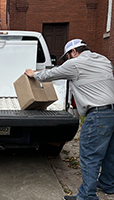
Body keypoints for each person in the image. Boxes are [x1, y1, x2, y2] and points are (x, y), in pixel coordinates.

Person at [25, 39, 114, 200]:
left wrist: (33, 74)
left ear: (73, 52)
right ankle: (108, 184)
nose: (67, 61)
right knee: (109, 153)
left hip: (98, 115)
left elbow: (50, 74)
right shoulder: (103, 60)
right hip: (112, 113)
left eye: (67, 57)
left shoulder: (75, 63)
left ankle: (87, 196)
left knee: (90, 156)